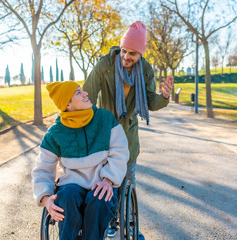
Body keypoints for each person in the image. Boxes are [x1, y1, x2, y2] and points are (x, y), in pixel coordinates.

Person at [82, 21, 173, 239]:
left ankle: (129, 224)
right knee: (103, 183)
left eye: (132, 53)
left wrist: (165, 97)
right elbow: (88, 96)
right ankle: (108, 223)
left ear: (141, 53)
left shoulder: (146, 71)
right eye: (123, 51)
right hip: (103, 133)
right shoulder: (104, 66)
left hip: (128, 137)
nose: (126, 56)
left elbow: (151, 102)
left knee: (127, 181)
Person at [32, 81, 129, 240]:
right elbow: (42, 169)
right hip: (72, 184)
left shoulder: (105, 119)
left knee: (99, 198)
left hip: (103, 181)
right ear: (68, 105)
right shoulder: (55, 133)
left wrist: (108, 180)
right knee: (66, 196)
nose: (86, 94)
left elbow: (120, 151)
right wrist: (46, 198)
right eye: (78, 93)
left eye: (82, 91)